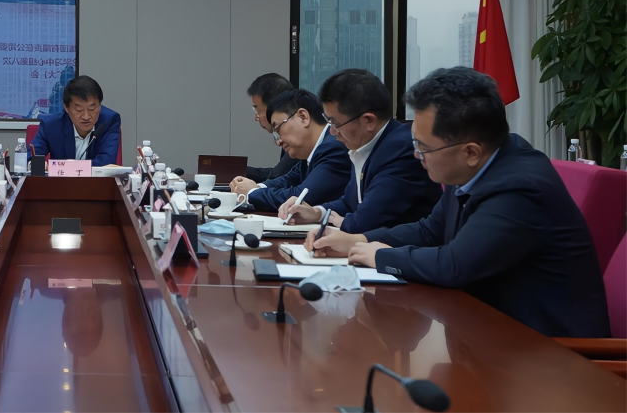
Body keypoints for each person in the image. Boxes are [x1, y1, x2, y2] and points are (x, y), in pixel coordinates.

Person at [306, 67, 609, 338]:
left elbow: (454, 265)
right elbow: (429, 231)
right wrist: (358, 240)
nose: (417, 155)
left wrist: (380, 256)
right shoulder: (474, 164)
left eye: (423, 147)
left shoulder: (519, 187)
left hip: (551, 356)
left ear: (470, 151)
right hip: (493, 335)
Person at [278, 69, 441, 233]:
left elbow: (365, 222)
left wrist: (341, 220)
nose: (332, 132)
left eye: (336, 124)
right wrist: (316, 213)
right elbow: (350, 203)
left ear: (368, 121)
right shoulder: (364, 145)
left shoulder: (400, 149)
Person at [232, 89, 351, 212]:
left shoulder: (335, 147)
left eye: (278, 129)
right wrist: (254, 187)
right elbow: (287, 180)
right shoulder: (313, 151)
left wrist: (252, 192)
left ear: (303, 117)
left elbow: (301, 197)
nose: (279, 142)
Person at [29, 75, 121, 166]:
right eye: (79, 110)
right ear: (66, 107)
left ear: (100, 105)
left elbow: (107, 162)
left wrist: (62, 166)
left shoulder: (109, 121)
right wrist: (35, 164)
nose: (86, 116)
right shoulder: (51, 125)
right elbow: (30, 157)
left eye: (91, 109)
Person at [241, 73, 300, 183]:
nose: (256, 118)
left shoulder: (298, 138)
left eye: (258, 111)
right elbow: (281, 174)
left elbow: (279, 177)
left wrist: (254, 189)